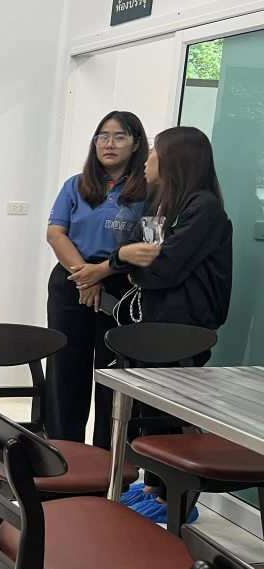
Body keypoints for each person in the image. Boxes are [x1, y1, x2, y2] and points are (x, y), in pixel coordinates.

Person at [109, 125, 233, 523]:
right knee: (150, 410)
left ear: (175, 159)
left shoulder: (205, 209)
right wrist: (134, 263)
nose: (146, 161)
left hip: (184, 331)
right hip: (157, 325)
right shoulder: (164, 203)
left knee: (173, 414)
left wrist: (136, 265)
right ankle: (153, 485)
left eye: (153, 152)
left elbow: (162, 269)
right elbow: (132, 256)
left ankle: (176, 499)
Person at [45, 111, 149, 450]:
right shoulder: (75, 185)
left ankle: (110, 456)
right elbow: (55, 233)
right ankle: (64, 453)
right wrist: (86, 278)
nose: (109, 144)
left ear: (136, 144)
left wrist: (102, 272)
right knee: (65, 370)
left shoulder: (148, 189)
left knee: (113, 373)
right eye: (102, 136)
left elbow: (149, 245)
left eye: (120, 136)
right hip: (71, 282)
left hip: (120, 286)